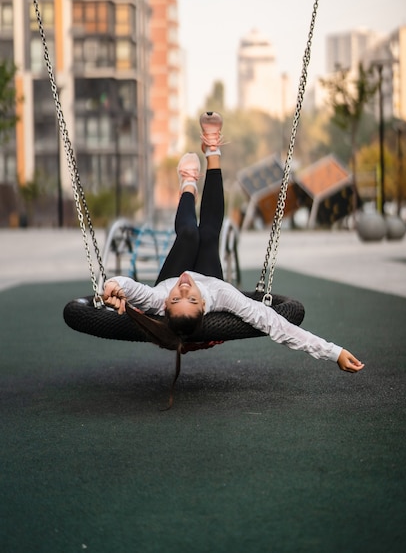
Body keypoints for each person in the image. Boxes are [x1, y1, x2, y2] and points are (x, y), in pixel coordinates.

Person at [103, 111, 364, 374]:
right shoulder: (221, 296)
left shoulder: (157, 298)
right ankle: (212, 149)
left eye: (175, 299)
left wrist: (111, 286)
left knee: (188, 236)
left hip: (168, 275)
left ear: (164, 305)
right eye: (191, 300)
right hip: (211, 278)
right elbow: (277, 325)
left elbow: (125, 284)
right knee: (207, 236)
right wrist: (334, 352)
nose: (183, 290)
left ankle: (189, 184)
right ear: (204, 306)